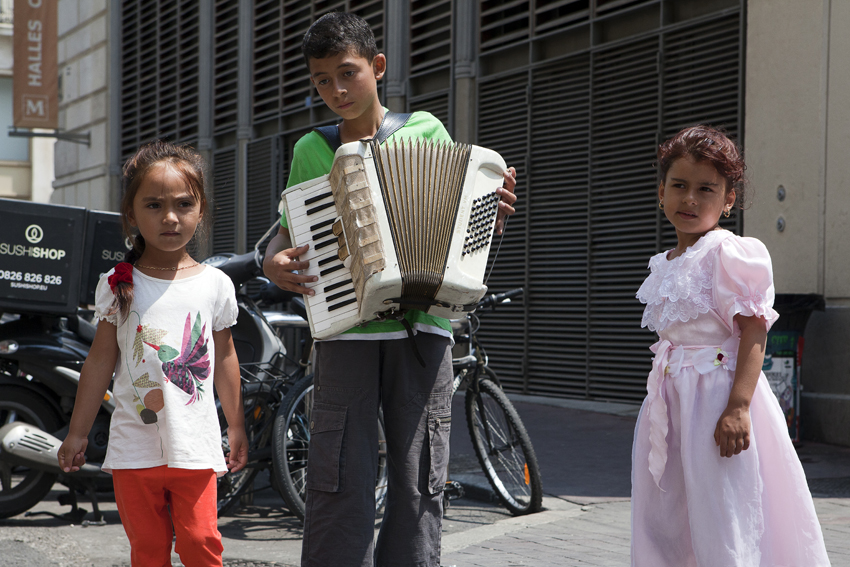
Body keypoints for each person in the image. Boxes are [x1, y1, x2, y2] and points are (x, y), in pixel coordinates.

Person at [263, 12, 517, 567]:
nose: (336, 90)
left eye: (347, 73)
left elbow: (461, 219)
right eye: (322, 80)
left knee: (420, 474)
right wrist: (273, 260)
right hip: (347, 325)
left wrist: (487, 213)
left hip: (425, 326)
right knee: (338, 475)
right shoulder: (311, 148)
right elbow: (284, 236)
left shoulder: (427, 131)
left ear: (377, 67)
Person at [632, 125, 830, 566]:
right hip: (671, 403)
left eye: (706, 189)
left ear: (728, 199)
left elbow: (754, 331)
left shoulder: (729, 253)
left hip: (717, 401)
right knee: (669, 513)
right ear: (661, 191)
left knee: (723, 509)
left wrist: (739, 405)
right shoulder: (665, 264)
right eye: (679, 186)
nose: (690, 199)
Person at [57, 140, 248, 567]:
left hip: (195, 448)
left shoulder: (215, 283)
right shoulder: (117, 283)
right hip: (133, 448)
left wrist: (235, 425)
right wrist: (77, 432)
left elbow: (225, 358)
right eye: (154, 205)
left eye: (184, 204)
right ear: (131, 215)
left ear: (200, 213)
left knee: (201, 543)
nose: (170, 217)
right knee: (147, 552)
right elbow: (99, 363)